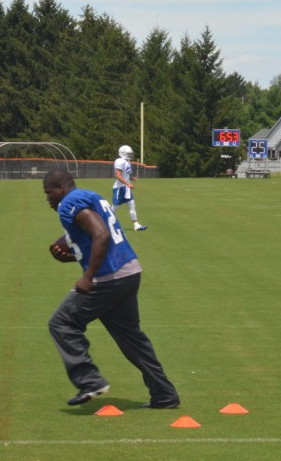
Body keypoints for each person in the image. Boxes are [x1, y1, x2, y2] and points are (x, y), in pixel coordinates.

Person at [43, 169, 179, 408]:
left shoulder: (69, 203)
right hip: (129, 272)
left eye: (49, 193)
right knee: (132, 340)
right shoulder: (90, 195)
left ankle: (90, 381)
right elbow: (102, 239)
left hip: (108, 279)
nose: (48, 199)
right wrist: (74, 257)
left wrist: (88, 276)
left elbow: (102, 235)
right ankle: (164, 394)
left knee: (61, 323)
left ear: (61, 188)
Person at [112, 145, 147, 231]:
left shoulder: (127, 161)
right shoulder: (119, 161)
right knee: (114, 207)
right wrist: (128, 183)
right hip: (120, 188)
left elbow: (125, 175)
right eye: (128, 154)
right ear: (123, 153)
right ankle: (103, 221)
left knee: (132, 205)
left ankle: (136, 225)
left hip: (126, 187)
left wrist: (131, 178)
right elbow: (118, 175)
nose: (130, 155)